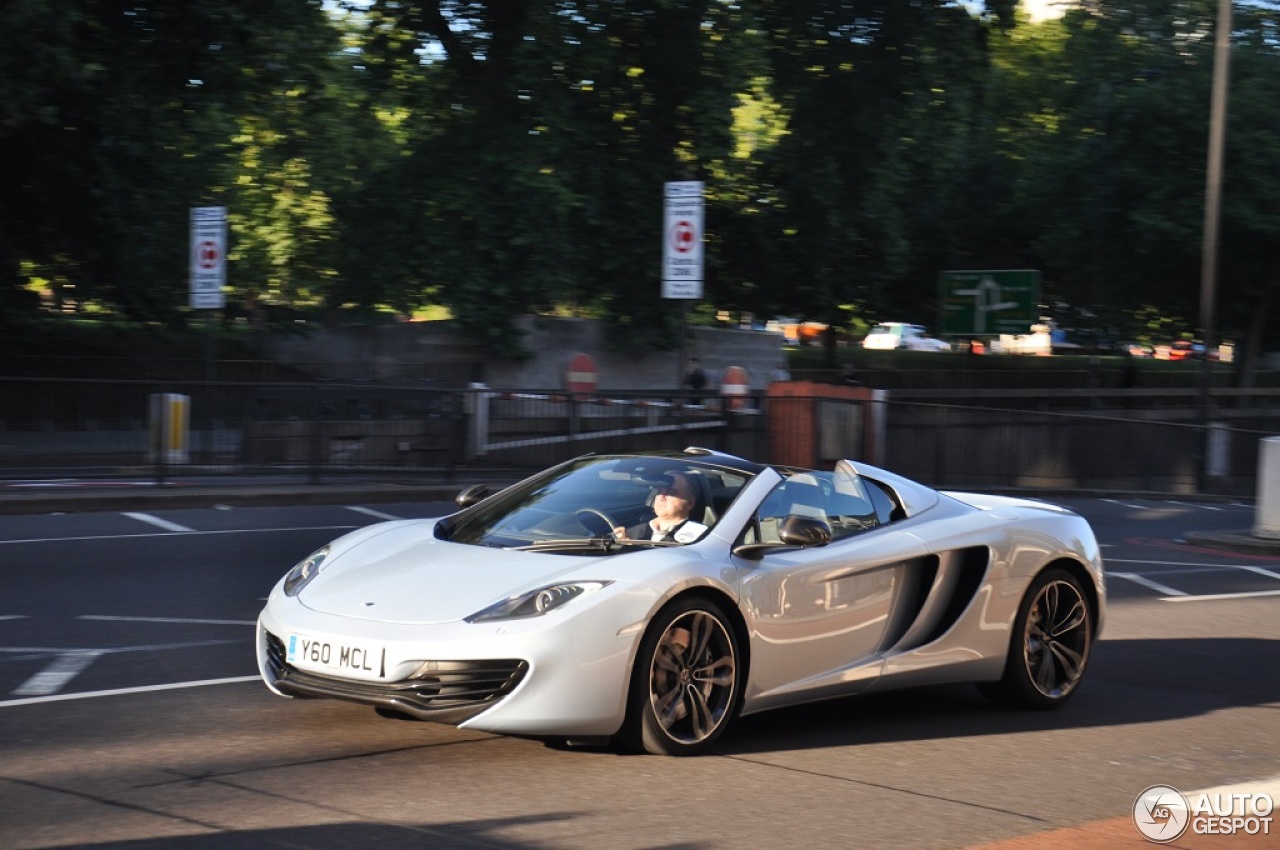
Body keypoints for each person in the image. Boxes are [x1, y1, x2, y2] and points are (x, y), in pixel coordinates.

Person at [615, 472, 701, 542]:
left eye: (671, 493)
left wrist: (630, 548)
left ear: (690, 503)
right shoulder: (631, 532)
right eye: (660, 491)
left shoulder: (699, 537)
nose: (662, 497)